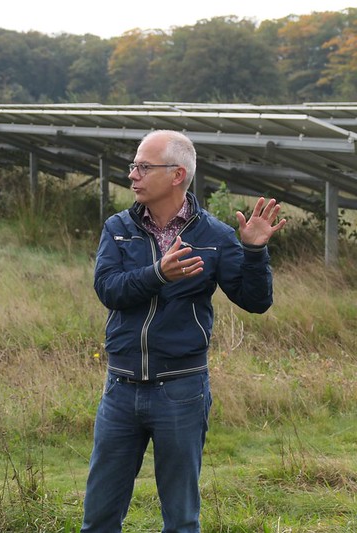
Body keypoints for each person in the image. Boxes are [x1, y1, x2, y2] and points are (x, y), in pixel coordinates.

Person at [81, 130, 286, 533]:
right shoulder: (117, 228)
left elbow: (255, 301)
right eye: (133, 165)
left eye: (144, 166)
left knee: (180, 518)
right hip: (120, 388)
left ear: (177, 175)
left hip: (181, 389)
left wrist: (255, 252)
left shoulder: (214, 236)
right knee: (100, 517)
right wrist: (158, 274)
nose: (133, 175)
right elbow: (109, 290)